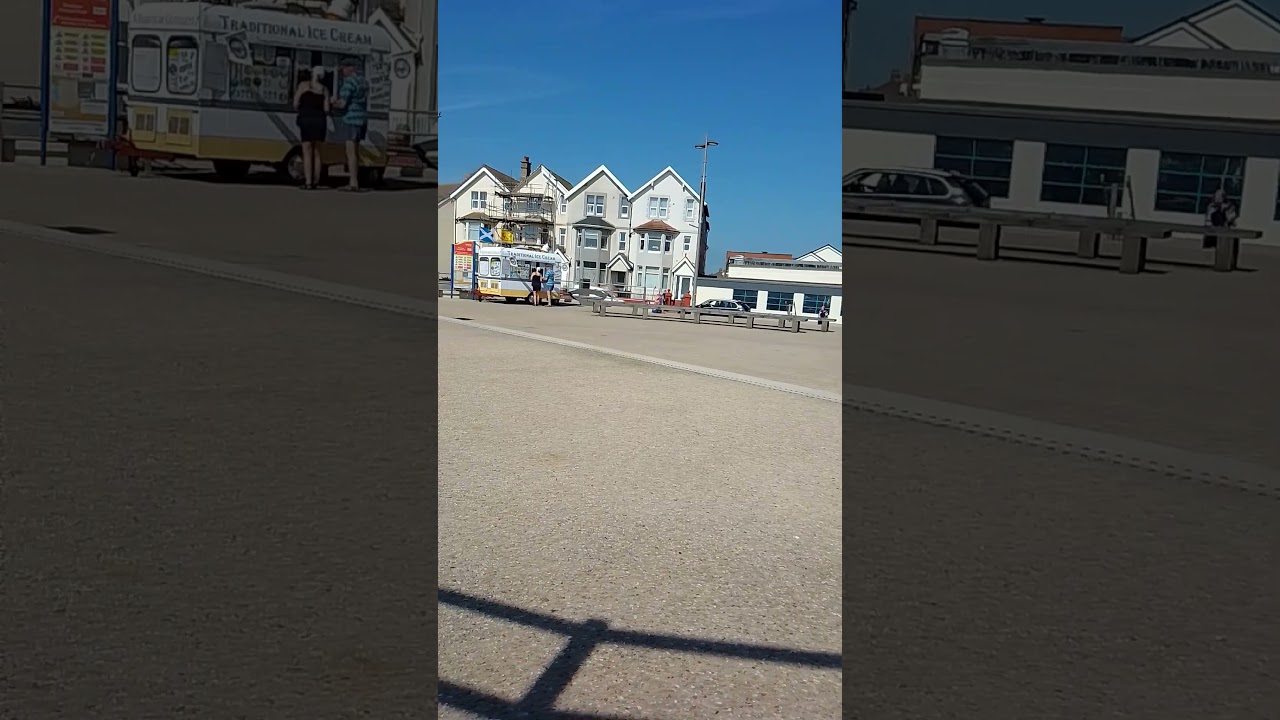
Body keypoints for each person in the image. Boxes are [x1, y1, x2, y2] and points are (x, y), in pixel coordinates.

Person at [331, 58, 369, 192]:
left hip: (351, 119)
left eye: (344, 68)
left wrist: (332, 102)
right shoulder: (364, 82)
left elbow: (342, 104)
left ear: (350, 68)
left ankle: (353, 182)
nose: (342, 71)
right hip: (362, 119)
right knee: (356, 152)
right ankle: (354, 180)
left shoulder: (349, 82)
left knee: (350, 152)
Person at [292, 66, 330, 190]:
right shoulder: (325, 89)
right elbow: (326, 109)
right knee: (317, 152)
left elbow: (295, 104)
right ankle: (316, 180)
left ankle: (308, 182)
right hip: (319, 121)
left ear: (312, 73)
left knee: (306, 151)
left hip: (306, 119)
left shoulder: (303, 85)